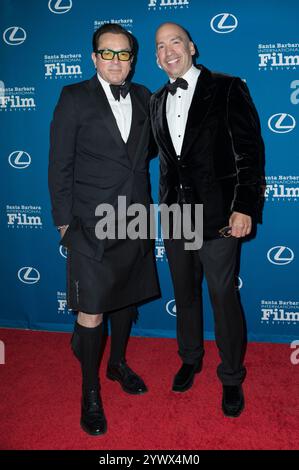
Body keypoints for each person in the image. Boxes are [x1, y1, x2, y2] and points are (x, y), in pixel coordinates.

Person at [48, 23, 159, 436]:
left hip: (135, 219)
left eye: (123, 54)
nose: (116, 61)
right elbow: (59, 164)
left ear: (132, 58)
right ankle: (90, 392)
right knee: (92, 311)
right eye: (107, 53)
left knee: (126, 303)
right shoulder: (74, 97)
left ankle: (117, 365)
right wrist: (63, 224)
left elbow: (156, 149)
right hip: (90, 224)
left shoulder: (146, 96)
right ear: (94, 57)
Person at [150, 22, 264, 417]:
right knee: (184, 295)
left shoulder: (228, 87)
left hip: (219, 216)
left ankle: (231, 376)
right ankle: (190, 357)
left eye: (175, 42)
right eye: (160, 46)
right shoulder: (154, 100)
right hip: (176, 216)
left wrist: (245, 206)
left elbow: (250, 152)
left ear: (192, 47)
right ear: (156, 56)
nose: (168, 51)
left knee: (222, 297)